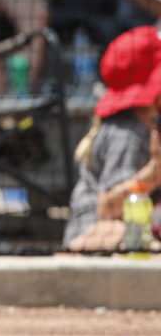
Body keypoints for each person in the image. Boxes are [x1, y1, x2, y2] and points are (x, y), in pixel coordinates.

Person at [64, 25, 161, 251]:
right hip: (95, 238)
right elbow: (108, 208)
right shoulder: (126, 132)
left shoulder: (149, 121)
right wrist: (155, 171)